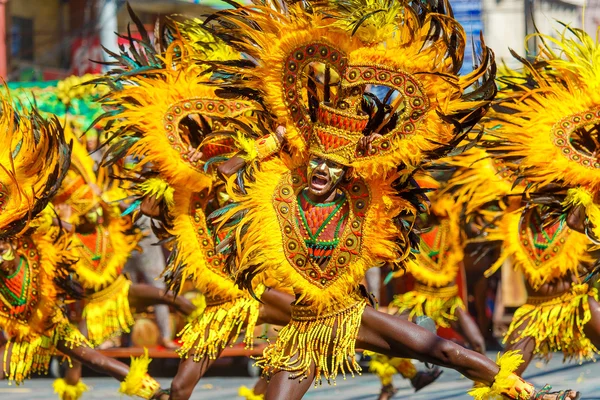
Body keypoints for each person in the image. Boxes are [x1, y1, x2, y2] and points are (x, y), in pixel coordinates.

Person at [0, 96, 166, 400]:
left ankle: (152, 391)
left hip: (53, 300)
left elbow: (81, 211)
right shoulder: (24, 221)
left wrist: (73, 220)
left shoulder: (34, 226)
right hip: (27, 312)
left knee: (88, 352)